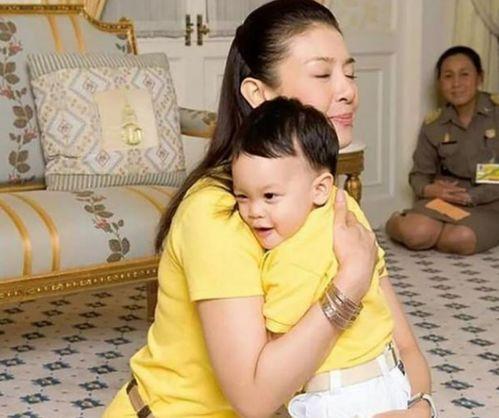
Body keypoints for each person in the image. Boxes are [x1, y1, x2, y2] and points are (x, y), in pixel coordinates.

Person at [105, 1, 433, 417]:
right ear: (258, 94)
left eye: (350, 74)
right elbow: (254, 399)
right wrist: (350, 281)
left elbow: (404, 350)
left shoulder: (332, 200)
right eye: (322, 74)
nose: (348, 90)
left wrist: (420, 406)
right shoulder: (217, 214)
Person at [231, 96, 413, 417]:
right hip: (390, 377)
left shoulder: (288, 260)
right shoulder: (347, 210)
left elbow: (276, 360)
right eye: (242, 196)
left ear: (319, 189)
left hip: (338, 398)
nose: (254, 211)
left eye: (269, 196)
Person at [386, 46, 499, 255]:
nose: (456, 84)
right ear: (439, 83)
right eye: (448, 76)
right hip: (446, 200)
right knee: (416, 234)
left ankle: (445, 229)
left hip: (491, 204)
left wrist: (471, 196)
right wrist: (431, 190)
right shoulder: (434, 124)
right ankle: (397, 221)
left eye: (464, 74)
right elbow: (419, 175)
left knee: (459, 239)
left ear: (480, 77)